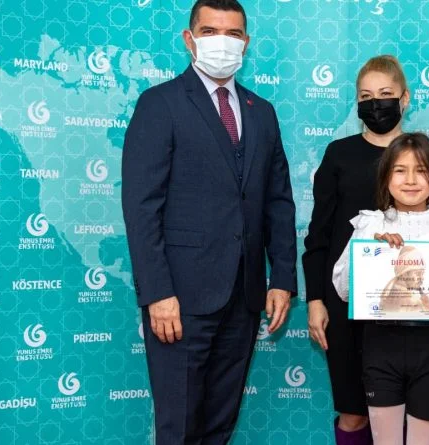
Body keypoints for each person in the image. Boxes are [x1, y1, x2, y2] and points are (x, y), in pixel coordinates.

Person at [121, 1, 297, 443]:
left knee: (220, 424)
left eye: (233, 33)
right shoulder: (160, 104)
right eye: (210, 31)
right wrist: (157, 293)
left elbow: (278, 202)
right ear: (189, 39)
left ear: (246, 43)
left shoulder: (262, 111)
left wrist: (282, 279)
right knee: (179, 426)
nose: (222, 41)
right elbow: (142, 207)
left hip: (244, 296)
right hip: (179, 300)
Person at [302, 55, 429, 444]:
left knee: (413, 416)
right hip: (346, 305)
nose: (376, 104)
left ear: (405, 98)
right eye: (366, 97)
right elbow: (318, 237)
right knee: (354, 413)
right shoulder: (339, 155)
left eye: (385, 94)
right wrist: (316, 300)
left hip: (416, 309)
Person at [331, 132, 429, 445]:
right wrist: (368, 252)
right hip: (380, 347)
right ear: (385, 178)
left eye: (421, 170)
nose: (410, 180)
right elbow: (343, 289)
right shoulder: (370, 225)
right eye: (400, 170)